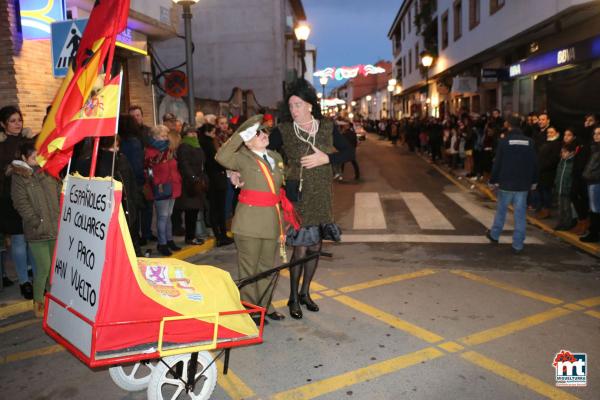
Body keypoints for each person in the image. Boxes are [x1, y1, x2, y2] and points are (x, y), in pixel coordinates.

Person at [267, 79, 354, 319]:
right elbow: (262, 151)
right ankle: (293, 297)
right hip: (299, 194)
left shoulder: (326, 127)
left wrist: (326, 159)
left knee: (315, 245)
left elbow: (349, 151)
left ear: (309, 106)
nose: (294, 110)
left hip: (322, 193)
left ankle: (306, 292)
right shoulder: (284, 130)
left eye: (297, 105)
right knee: (301, 247)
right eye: (291, 106)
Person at [216, 115, 293, 324]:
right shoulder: (242, 157)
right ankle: (250, 310)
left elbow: (280, 185)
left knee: (267, 267)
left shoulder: (276, 156)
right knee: (249, 269)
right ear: (248, 140)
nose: (264, 135)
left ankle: (265, 307)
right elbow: (222, 157)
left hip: (271, 220)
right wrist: (240, 135)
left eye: (264, 132)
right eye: (257, 133)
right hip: (248, 222)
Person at [10, 143, 61, 317]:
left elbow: (58, 191)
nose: (37, 160)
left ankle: (53, 300)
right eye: (33, 157)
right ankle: (39, 302)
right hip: (37, 230)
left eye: (38, 157)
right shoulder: (19, 177)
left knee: (54, 268)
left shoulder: (47, 171)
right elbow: (20, 203)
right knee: (44, 267)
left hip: (54, 227)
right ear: (24, 158)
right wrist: (35, 220)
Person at [486, 115, 538, 254]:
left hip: (506, 183)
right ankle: (518, 244)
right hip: (522, 184)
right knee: (520, 214)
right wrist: (533, 181)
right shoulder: (530, 142)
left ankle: (495, 235)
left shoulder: (504, 142)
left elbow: (498, 163)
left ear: (509, 126)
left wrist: (492, 180)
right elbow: (534, 163)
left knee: (501, 211)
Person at [0, 106, 37, 299]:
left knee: (33, 239)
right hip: (9, 198)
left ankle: (38, 279)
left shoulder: (27, 142)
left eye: (19, 120)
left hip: (30, 195)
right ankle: (24, 281)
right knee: (19, 240)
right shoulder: (2, 145)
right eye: (12, 121)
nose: (17, 124)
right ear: (3, 124)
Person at [144, 125, 182, 256]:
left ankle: (169, 240)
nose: (165, 138)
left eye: (166, 136)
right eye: (162, 136)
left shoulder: (169, 150)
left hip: (172, 185)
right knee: (162, 216)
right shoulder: (152, 151)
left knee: (168, 216)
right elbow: (151, 167)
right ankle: (162, 243)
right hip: (161, 186)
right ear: (154, 136)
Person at [198, 123, 234, 247]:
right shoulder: (208, 144)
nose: (214, 135)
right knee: (218, 209)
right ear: (207, 132)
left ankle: (221, 234)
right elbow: (216, 161)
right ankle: (220, 235)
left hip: (215, 179)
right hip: (216, 179)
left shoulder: (205, 143)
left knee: (216, 208)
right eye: (213, 132)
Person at [176, 127, 207, 245]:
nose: (193, 135)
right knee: (190, 211)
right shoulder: (184, 146)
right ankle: (189, 237)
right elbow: (184, 165)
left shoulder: (197, 145)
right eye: (190, 133)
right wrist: (194, 178)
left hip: (197, 182)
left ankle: (192, 235)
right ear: (185, 134)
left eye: (195, 132)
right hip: (189, 184)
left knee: (194, 211)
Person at [536, 126, 562, 219]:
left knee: (546, 192)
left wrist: (543, 166)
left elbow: (554, 160)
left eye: (551, 132)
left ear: (557, 133)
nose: (549, 134)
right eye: (548, 132)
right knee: (541, 191)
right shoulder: (547, 142)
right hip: (542, 172)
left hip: (549, 173)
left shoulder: (557, 144)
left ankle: (546, 210)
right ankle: (542, 209)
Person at [580, 126, 600, 242]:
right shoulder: (594, 148)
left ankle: (594, 234)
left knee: (595, 209)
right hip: (592, 181)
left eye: (599, 133)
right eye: (595, 133)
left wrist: (591, 176)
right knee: (594, 209)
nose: (596, 135)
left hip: (596, 182)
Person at [553, 143, 577, 231]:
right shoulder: (561, 161)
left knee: (567, 208)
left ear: (572, 153)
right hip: (560, 188)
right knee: (560, 208)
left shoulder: (572, 163)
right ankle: (560, 223)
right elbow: (558, 174)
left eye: (565, 152)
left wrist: (570, 187)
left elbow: (572, 177)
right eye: (562, 152)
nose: (563, 154)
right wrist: (556, 183)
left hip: (567, 189)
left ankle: (567, 224)